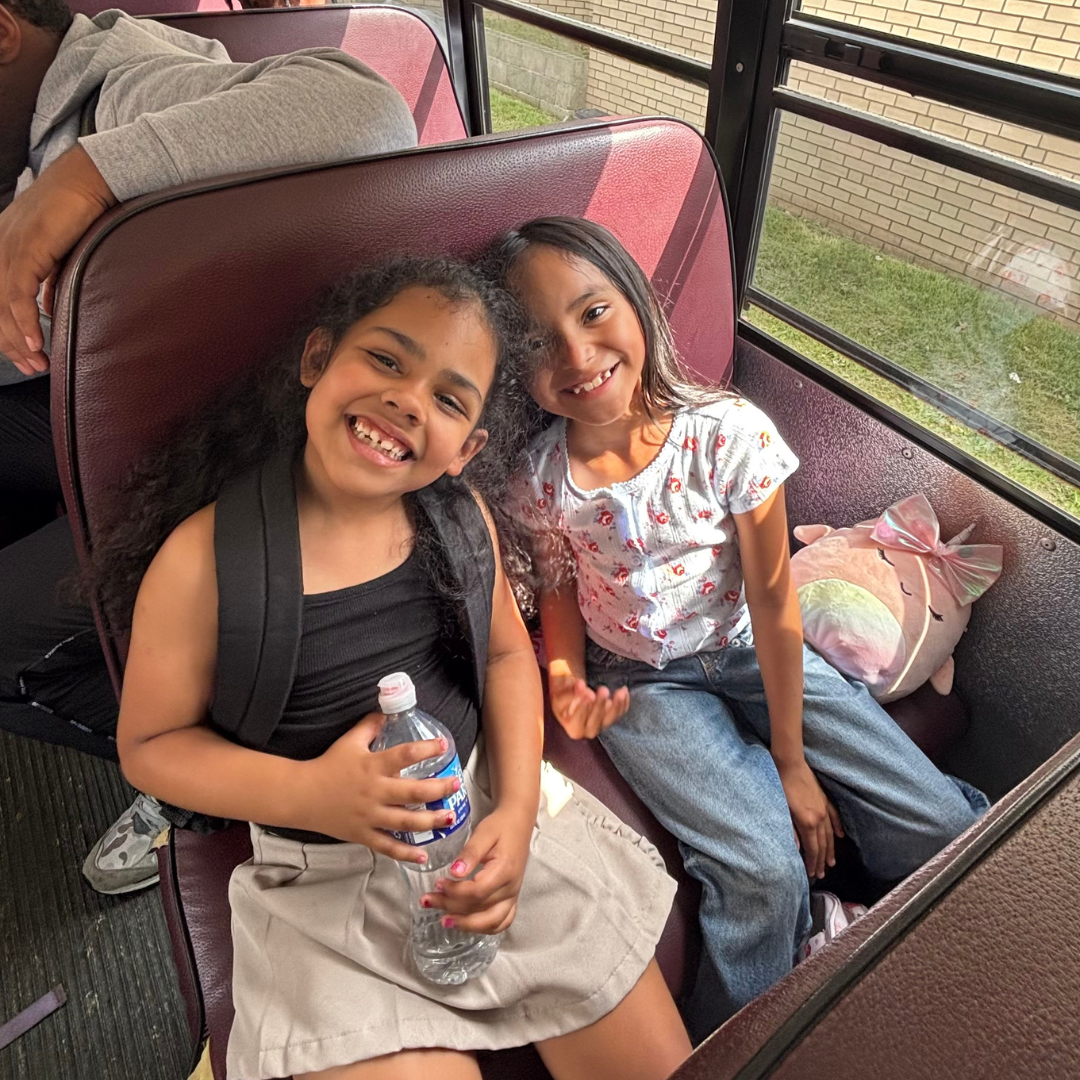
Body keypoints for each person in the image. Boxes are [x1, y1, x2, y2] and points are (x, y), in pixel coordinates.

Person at [101, 255, 692, 1080]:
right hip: (324, 880)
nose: (408, 400)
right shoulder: (203, 562)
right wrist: (312, 795)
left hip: (482, 814)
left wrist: (519, 810)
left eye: (448, 399)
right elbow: (150, 747)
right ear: (318, 359)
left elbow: (504, 656)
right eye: (385, 359)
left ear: (466, 448)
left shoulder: (459, 518)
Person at [492, 216, 989, 1024]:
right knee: (761, 868)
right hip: (642, 681)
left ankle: (927, 919)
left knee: (937, 826)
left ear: (637, 301)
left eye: (593, 313)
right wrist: (565, 680)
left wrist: (793, 762)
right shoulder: (541, 478)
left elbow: (773, 599)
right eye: (538, 343)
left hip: (750, 641)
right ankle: (745, 1035)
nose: (576, 356)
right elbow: (557, 591)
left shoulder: (727, 434)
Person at [0, 0, 417, 892]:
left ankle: (226, 781)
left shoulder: (116, 88)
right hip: (139, 425)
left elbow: (367, 109)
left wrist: (80, 179)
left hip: (241, 449)